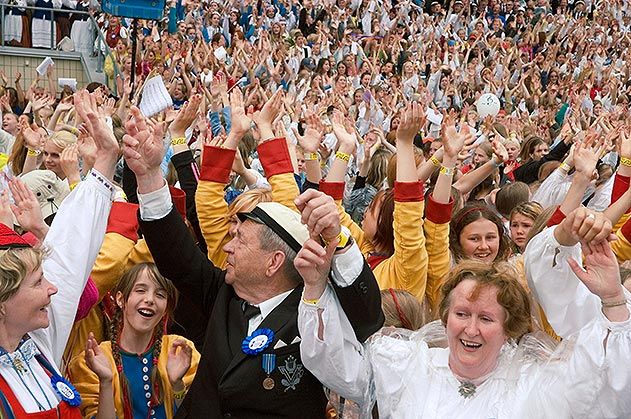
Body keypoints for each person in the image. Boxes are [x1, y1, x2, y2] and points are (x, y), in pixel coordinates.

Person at [122, 101, 384, 417]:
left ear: (273, 262)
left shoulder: (312, 310)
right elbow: (174, 254)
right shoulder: (222, 294)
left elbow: (368, 319)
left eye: (240, 240)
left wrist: (339, 238)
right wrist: (150, 176)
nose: (227, 248)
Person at [296, 205, 631, 416]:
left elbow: (604, 389)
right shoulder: (407, 365)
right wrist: (314, 287)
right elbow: (335, 365)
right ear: (445, 317)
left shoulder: (536, 382)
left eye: (486, 318)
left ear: (508, 327)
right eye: (461, 314)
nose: (470, 329)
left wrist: (613, 296)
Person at [0, 90, 119, 417]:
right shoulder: (38, 334)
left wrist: (105, 161)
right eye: (39, 282)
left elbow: (71, 252)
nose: (52, 287)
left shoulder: (36, 339)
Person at [67, 263, 200, 419]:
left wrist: (177, 385)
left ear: (166, 308)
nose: (150, 299)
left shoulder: (179, 350)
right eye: (140, 290)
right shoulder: (90, 362)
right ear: (120, 299)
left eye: (160, 295)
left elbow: (203, 411)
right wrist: (106, 382)